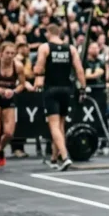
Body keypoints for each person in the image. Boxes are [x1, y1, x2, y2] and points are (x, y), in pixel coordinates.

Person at [33, 23, 87, 171]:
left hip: (51, 89)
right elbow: (79, 70)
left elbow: (39, 69)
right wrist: (82, 89)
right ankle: (54, 158)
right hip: (66, 89)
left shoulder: (44, 47)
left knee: (54, 126)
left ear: (48, 33)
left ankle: (65, 157)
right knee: (61, 125)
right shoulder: (71, 48)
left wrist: (35, 72)